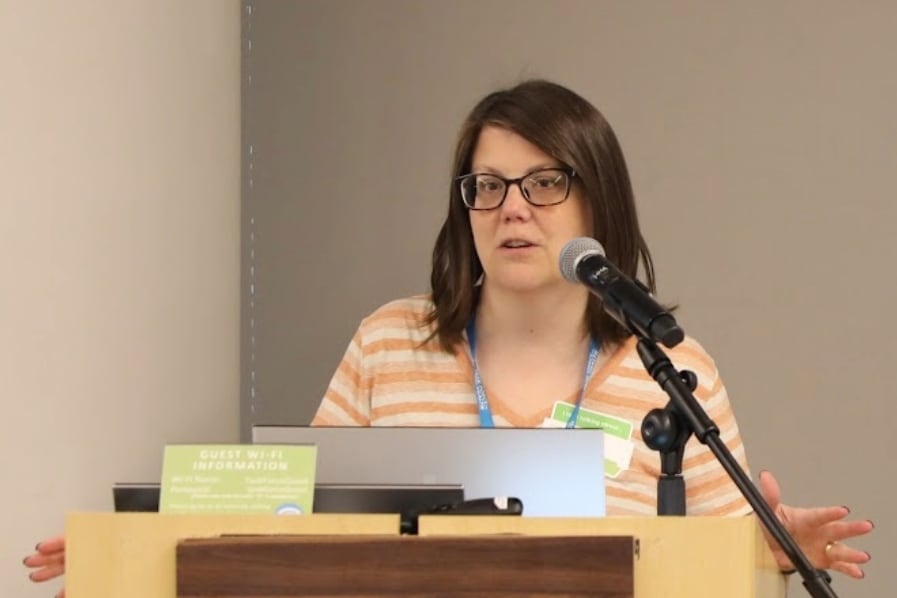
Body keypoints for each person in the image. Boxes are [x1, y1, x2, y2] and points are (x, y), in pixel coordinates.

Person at [24, 80, 872, 596]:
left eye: (545, 182)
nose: (512, 207)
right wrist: (134, 543)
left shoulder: (669, 366)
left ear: (596, 205)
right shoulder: (388, 344)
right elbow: (291, 520)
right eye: (487, 185)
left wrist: (772, 554)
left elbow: (711, 565)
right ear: (462, 207)